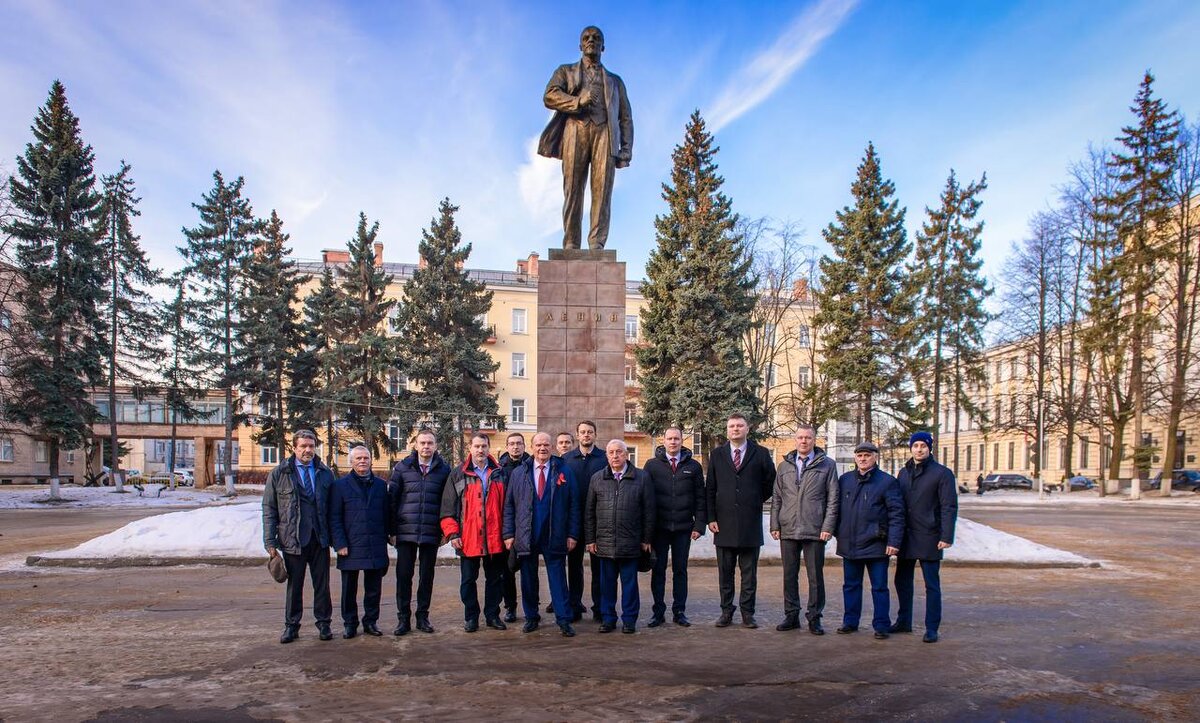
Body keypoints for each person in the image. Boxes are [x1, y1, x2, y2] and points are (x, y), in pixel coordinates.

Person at [537, 25, 634, 250]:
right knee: (572, 189)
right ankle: (571, 242)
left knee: (602, 192)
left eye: (597, 38)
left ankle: (597, 244)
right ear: (580, 45)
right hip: (575, 130)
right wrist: (578, 101)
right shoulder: (566, 71)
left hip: (605, 136)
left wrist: (626, 147)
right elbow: (549, 95)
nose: (591, 40)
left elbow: (625, 118)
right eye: (587, 37)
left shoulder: (615, 82)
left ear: (603, 46)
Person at [504, 432, 581, 637]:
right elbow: (509, 505)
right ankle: (531, 617)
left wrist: (572, 534)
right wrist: (509, 533)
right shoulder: (520, 472)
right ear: (532, 446)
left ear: (552, 447)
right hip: (527, 534)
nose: (542, 448)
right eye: (538, 445)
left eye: (546, 444)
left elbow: (574, 505)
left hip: (554, 534)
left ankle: (563, 619)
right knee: (528, 578)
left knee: (557, 578)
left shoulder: (563, 470)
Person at [262, 430, 335, 643]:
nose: (308, 450)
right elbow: (269, 508)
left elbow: (333, 507)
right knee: (295, 585)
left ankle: (324, 623)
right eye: (303, 446)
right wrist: (270, 542)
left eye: (311, 446)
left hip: (319, 538)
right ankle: (291, 626)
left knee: (322, 584)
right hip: (292, 539)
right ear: (294, 448)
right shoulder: (280, 474)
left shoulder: (324, 472)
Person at [707, 413, 776, 629]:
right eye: (731, 426)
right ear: (727, 430)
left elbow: (770, 482)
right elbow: (710, 488)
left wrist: (754, 500)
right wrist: (711, 518)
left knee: (749, 575)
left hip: (749, 524)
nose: (735, 429)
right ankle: (726, 611)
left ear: (747, 429)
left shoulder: (761, 453)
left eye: (740, 425)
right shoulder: (717, 455)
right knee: (725, 574)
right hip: (723, 524)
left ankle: (748, 613)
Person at [770, 425, 839, 635]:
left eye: (808, 438)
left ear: (814, 440)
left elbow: (833, 500)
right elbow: (777, 498)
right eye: (800, 437)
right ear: (795, 440)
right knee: (789, 575)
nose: (804, 441)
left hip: (814, 529)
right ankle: (791, 615)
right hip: (788, 528)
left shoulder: (827, 465)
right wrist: (775, 524)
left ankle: (814, 618)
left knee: (815, 576)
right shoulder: (784, 466)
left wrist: (827, 527)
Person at [892, 431, 958, 643]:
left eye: (923, 445)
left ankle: (932, 628)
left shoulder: (942, 474)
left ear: (930, 448)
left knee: (931, 584)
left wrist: (946, 535)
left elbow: (949, 507)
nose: (919, 449)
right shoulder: (903, 473)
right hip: (906, 537)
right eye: (915, 445)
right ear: (911, 448)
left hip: (930, 535)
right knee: (902, 581)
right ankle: (904, 621)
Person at [835, 442, 905, 640]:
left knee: (880, 587)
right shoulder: (845, 480)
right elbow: (836, 509)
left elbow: (896, 514)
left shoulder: (887, 482)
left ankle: (881, 625)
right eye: (860, 455)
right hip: (850, 544)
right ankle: (850, 621)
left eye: (867, 455)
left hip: (876, 544)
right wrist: (837, 532)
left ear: (875, 457)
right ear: (855, 458)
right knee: (850, 585)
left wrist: (894, 542)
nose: (863, 459)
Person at [441, 433, 509, 632]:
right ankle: (471, 617)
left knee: (495, 580)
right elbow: (448, 508)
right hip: (468, 539)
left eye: (484, 446)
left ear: (489, 448)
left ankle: (492, 615)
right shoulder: (458, 474)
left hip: (495, 538)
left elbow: (508, 507)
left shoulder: (500, 473)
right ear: (470, 448)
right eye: (477, 446)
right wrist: (453, 534)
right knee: (468, 580)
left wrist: (507, 534)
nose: (480, 450)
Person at [585, 440, 654, 633]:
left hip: (630, 543)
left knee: (629, 585)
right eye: (611, 452)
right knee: (606, 585)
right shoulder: (597, 478)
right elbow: (589, 512)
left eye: (619, 452)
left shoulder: (642, 478)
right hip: (604, 544)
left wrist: (646, 539)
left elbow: (649, 511)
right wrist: (590, 539)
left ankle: (629, 620)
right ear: (606, 455)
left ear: (626, 455)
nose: (615, 456)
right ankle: (608, 618)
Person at [387, 428, 450, 636]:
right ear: (415, 445)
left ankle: (423, 617)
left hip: (431, 531)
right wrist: (392, 529)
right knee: (404, 576)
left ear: (436, 446)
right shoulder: (402, 468)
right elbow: (392, 501)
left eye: (430, 443)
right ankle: (403, 619)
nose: (426, 447)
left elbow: (447, 502)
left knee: (427, 576)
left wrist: (444, 531)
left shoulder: (444, 470)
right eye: (422, 443)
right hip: (405, 532)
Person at [642, 426, 705, 627]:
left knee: (680, 570)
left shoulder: (693, 467)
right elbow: (645, 498)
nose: (673, 442)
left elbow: (700, 498)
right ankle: (658, 612)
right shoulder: (651, 465)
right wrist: (646, 530)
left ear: (681, 440)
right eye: (669, 438)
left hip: (683, 528)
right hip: (658, 529)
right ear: (664, 440)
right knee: (658, 570)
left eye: (676, 439)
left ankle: (679, 611)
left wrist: (699, 525)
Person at [330, 445, 391, 639]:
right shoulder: (340, 486)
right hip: (350, 544)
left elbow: (387, 514)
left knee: (373, 588)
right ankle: (350, 623)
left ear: (371, 460)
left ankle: (371, 622)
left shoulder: (381, 485)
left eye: (366, 458)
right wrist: (339, 543)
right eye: (358, 458)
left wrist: (390, 535)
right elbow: (334, 517)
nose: (362, 461)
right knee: (349, 588)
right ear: (351, 462)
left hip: (375, 543)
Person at [562, 420, 608, 621]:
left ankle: (599, 607)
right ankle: (574, 606)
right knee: (574, 567)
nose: (586, 435)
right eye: (582, 432)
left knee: (599, 567)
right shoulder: (566, 459)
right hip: (574, 521)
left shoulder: (605, 458)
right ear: (577, 435)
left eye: (590, 432)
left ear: (595, 435)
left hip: (599, 522)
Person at [497, 432, 530, 622]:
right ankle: (510, 606)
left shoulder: (531, 465)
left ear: (524, 446)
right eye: (512, 444)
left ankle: (530, 607)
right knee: (507, 571)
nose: (515, 447)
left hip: (527, 525)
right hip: (506, 526)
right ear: (507, 446)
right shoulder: (500, 469)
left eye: (519, 443)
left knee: (527, 570)